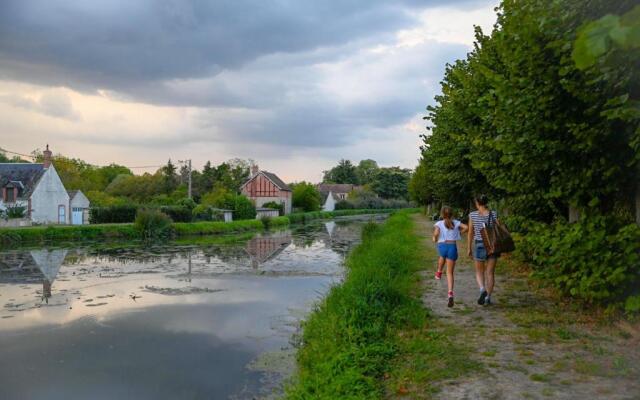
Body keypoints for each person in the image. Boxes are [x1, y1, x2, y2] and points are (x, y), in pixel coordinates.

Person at [467, 194, 500, 305]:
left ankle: (482, 289)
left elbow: (470, 232)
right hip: (492, 245)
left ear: (477, 203)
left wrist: (469, 248)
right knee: (490, 273)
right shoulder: (494, 214)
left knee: (479, 271)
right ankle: (488, 298)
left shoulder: (472, 215)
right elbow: (498, 228)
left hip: (479, 244)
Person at [433, 206, 468, 307]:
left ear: (442, 214)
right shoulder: (456, 222)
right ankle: (450, 293)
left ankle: (439, 272)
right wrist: (458, 234)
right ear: (451, 214)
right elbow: (466, 227)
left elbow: (435, 234)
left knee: (441, 257)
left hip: (442, 246)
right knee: (449, 272)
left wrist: (435, 237)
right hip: (452, 247)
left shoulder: (438, 224)